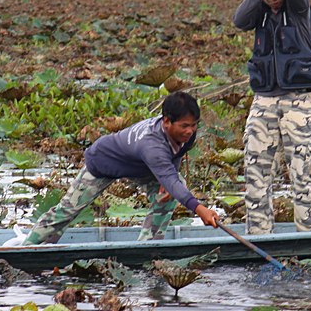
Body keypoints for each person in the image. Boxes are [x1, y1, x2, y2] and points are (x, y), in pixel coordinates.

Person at [21, 91, 219, 245]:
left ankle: (148, 247)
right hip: (104, 162)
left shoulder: (187, 134)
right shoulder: (152, 145)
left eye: (193, 125)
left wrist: (166, 180)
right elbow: (164, 163)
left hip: (141, 167)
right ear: (166, 121)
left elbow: (175, 155)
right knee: (67, 210)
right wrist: (199, 208)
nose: (190, 131)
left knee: (170, 191)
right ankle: (28, 249)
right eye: (184, 126)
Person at [232, 0, 311, 235]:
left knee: (305, 172)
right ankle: (260, 236)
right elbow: (239, 20)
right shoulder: (259, 11)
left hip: (299, 101)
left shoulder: (298, 8)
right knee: (256, 169)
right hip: (265, 100)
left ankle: (309, 237)